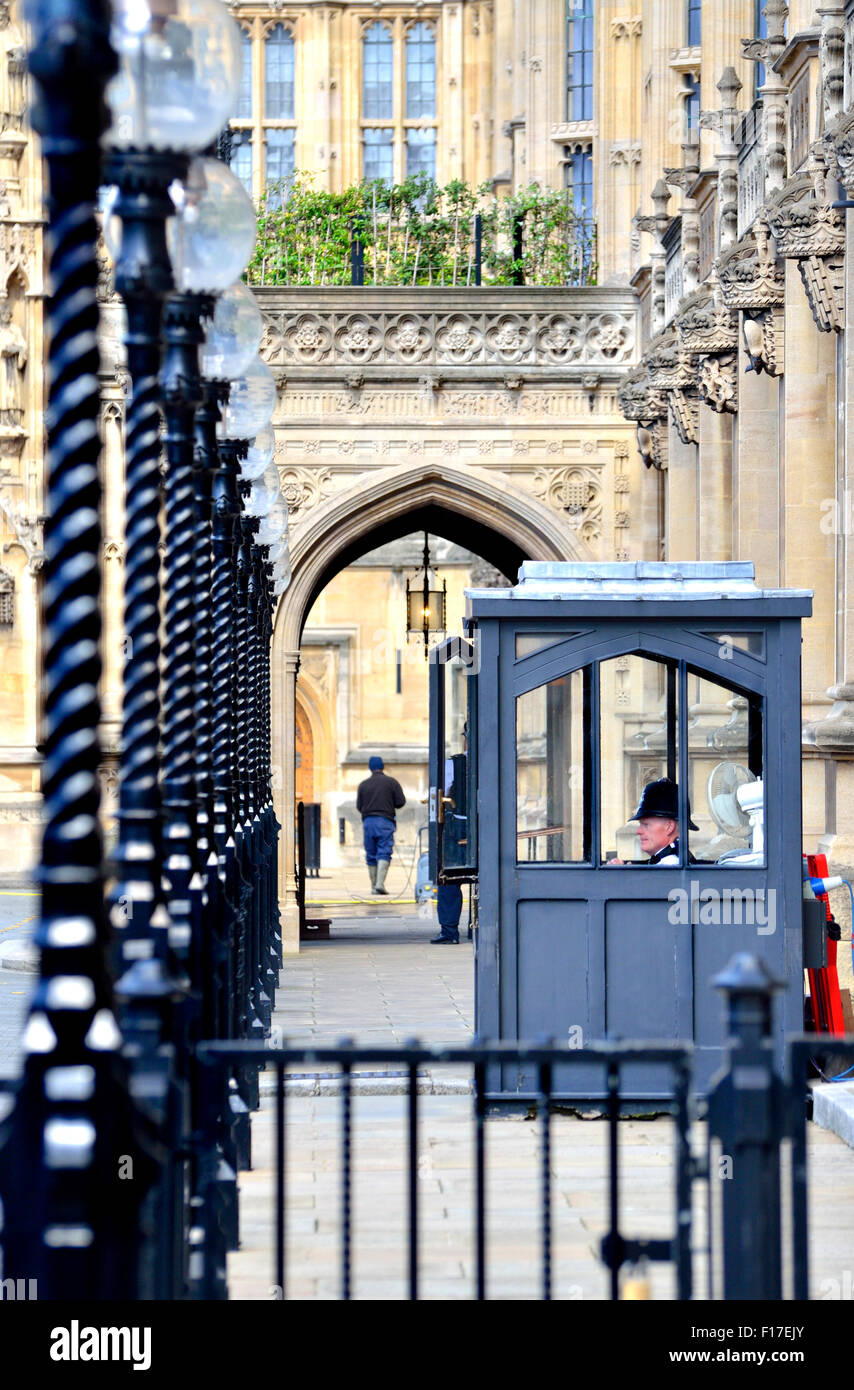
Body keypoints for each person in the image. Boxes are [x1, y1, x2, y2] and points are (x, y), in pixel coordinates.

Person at [605, 777, 698, 866]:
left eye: (646, 825)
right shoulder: (667, 861)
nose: (638, 831)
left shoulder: (671, 865)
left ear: (669, 827)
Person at [356, 755, 405, 895]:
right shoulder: (391, 782)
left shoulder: (363, 785)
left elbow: (359, 806)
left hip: (368, 822)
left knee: (371, 853)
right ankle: (380, 883)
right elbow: (401, 802)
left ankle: (373, 886)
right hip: (385, 821)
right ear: (382, 766)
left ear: (370, 768)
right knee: (384, 851)